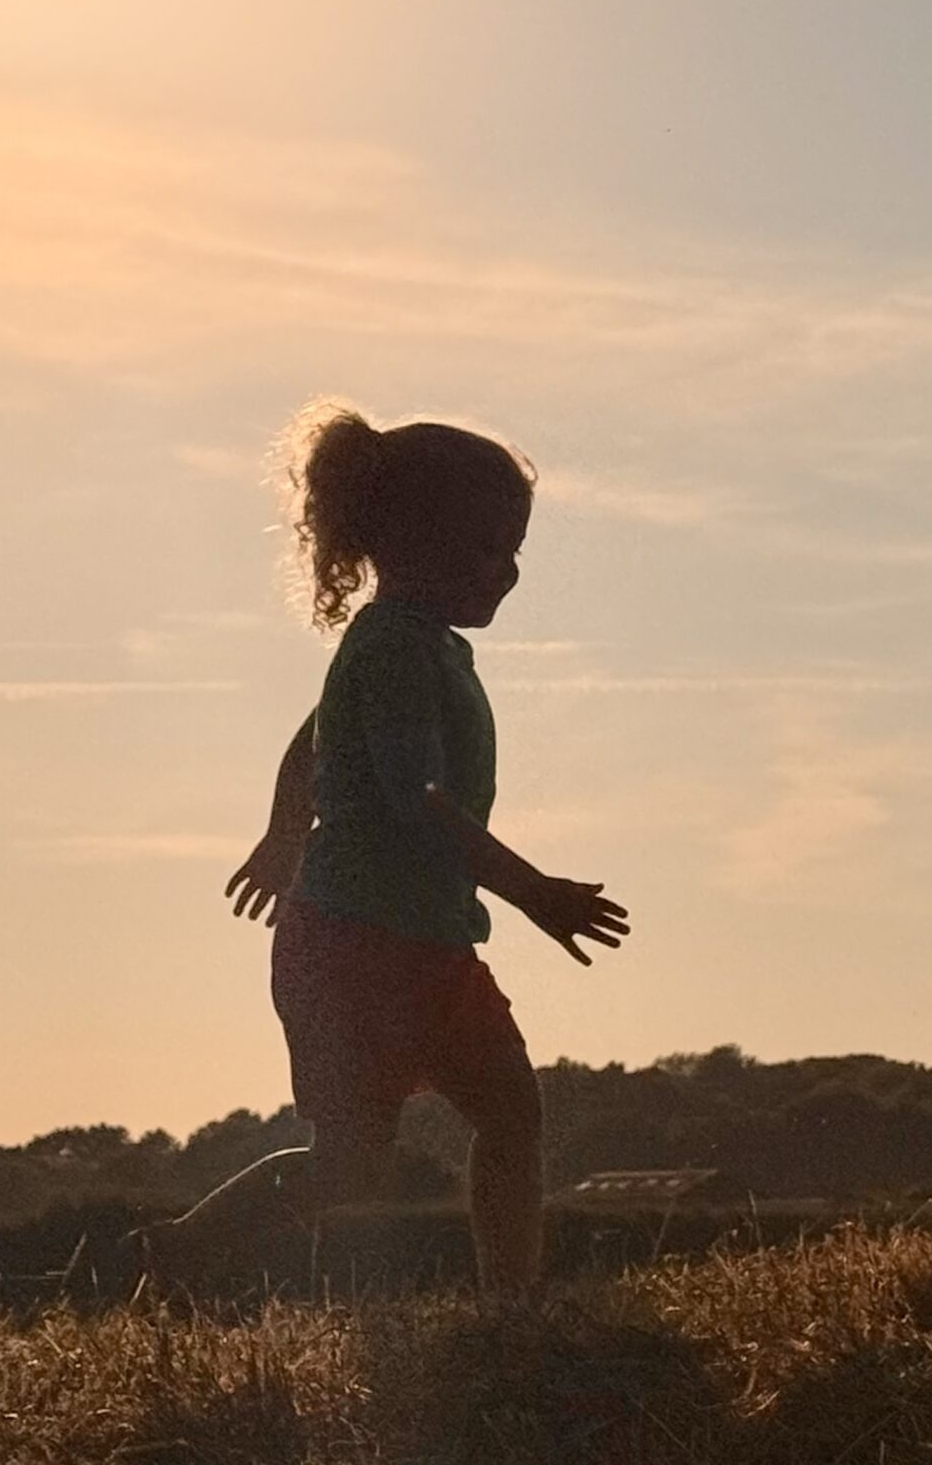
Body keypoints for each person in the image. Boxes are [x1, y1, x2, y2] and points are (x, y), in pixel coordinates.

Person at [138, 402, 629, 1299]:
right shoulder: (394, 649)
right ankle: (180, 1250)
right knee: (353, 1165)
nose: (508, 570)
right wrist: (535, 893)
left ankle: (512, 1309)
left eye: (514, 548)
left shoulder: (415, 647)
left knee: (510, 1113)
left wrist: (283, 833)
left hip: (425, 943)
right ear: (413, 543)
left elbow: (313, 738)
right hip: (354, 949)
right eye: (488, 547)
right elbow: (421, 806)